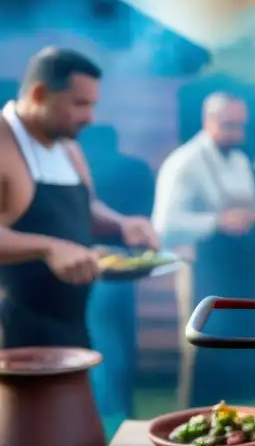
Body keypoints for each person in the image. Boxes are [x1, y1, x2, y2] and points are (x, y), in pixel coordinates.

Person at [0, 47, 158, 349]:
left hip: (71, 327)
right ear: (39, 94)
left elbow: (84, 207)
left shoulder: (66, 145)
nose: (89, 117)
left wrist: (122, 224)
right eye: (80, 104)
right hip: (13, 335)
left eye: (92, 105)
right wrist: (49, 248)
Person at [152, 92, 255, 407]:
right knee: (205, 354)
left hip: (242, 270)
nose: (236, 135)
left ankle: (254, 421)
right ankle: (200, 423)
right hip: (203, 271)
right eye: (228, 125)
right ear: (208, 121)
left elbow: (250, 206)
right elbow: (165, 224)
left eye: (240, 126)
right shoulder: (184, 162)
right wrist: (217, 222)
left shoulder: (240, 159)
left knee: (251, 350)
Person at [79, 125, 157, 432]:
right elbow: (146, 210)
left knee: (105, 345)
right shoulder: (136, 168)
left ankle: (112, 417)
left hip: (96, 268)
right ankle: (125, 409)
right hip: (128, 266)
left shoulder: (89, 170)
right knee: (123, 342)